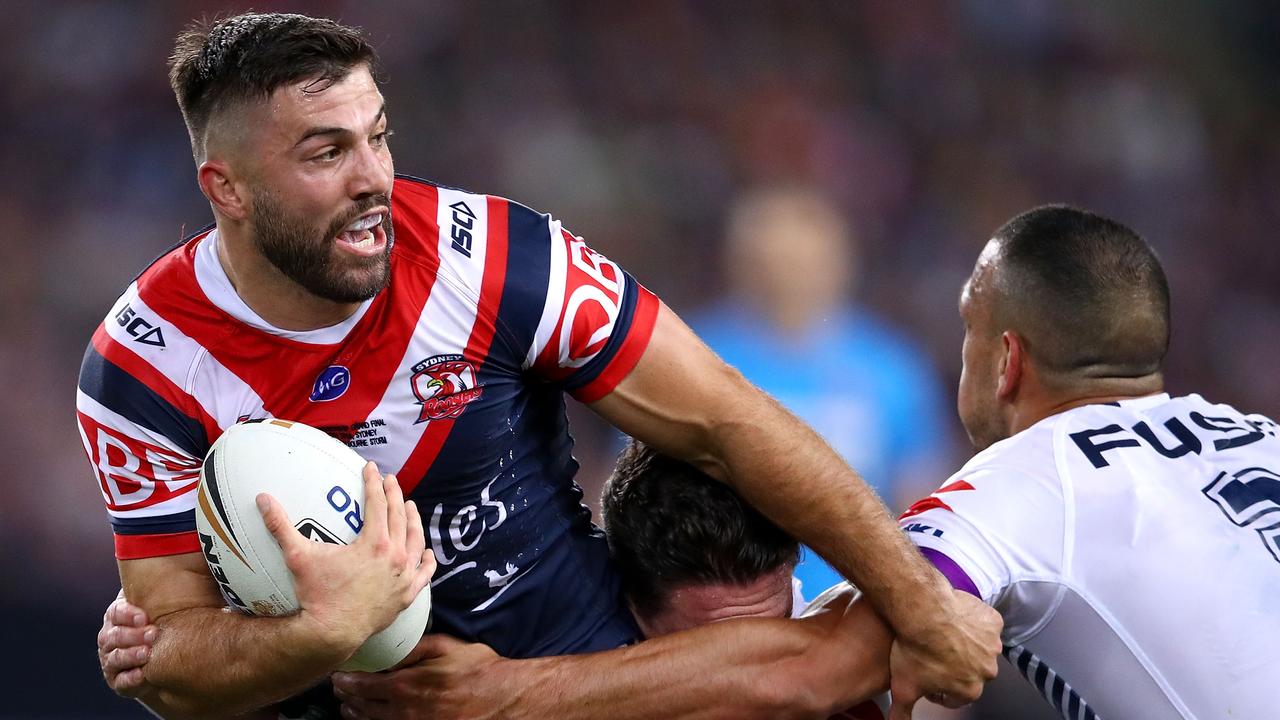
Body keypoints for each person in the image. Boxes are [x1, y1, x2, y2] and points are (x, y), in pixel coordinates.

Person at [78, 11, 997, 720]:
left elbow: (727, 423)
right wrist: (331, 628)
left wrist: (922, 607)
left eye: (378, 135)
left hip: (581, 664)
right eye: (326, 151)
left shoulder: (494, 260)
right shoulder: (141, 369)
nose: (373, 177)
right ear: (226, 188)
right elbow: (172, 665)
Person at [180, 203, 1273, 719]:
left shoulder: (1023, 485)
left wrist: (505, 696)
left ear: (1001, 360)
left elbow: (812, 666)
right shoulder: (1258, 441)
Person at [102, 439, 895, 719]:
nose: (747, 682)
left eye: (773, 626)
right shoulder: (475, 650)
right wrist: (202, 619)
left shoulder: (846, 654)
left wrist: (512, 697)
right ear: (618, 599)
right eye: (710, 652)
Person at [692, 186, 951, 598]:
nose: (788, 274)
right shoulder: (695, 355)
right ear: (741, 264)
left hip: (854, 610)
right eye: (772, 260)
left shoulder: (892, 368)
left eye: (801, 260)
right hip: (724, 606)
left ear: (839, 263)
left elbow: (920, 505)